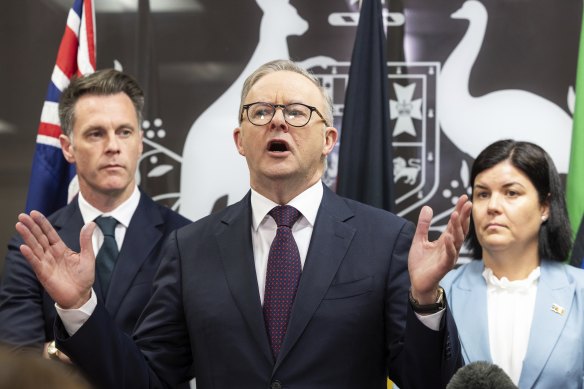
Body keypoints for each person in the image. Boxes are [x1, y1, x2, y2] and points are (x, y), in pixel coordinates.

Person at [16, 59, 472, 389]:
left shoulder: (384, 239)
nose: (278, 121)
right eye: (261, 112)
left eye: (297, 112)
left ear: (329, 139)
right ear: (240, 140)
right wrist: (79, 307)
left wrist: (426, 302)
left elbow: (425, 382)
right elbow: (148, 379)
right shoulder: (189, 247)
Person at [0, 69, 190, 363]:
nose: (113, 146)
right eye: (96, 133)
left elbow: (178, 359)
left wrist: (60, 350)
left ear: (140, 142)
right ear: (68, 148)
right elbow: (20, 361)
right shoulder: (33, 246)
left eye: (124, 132)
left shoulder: (184, 240)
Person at [440, 139, 582, 388]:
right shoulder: (440, 292)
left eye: (511, 193)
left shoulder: (579, 292)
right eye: (482, 194)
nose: (493, 206)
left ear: (545, 207)